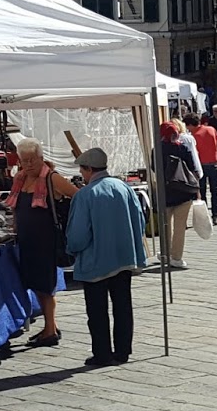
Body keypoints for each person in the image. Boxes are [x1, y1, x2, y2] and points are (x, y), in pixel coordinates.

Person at [64, 148, 147, 367]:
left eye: (82, 170)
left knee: (97, 310)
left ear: (89, 169)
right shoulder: (124, 187)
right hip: (124, 257)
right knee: (123, 305)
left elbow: (78, 235)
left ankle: (102, 353)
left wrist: (72, 249)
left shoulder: (85, 195)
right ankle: (122, 350)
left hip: (96, 261)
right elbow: (140, 220)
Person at [9, 138, 79, 346]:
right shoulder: (20, 178)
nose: (29, 164)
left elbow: (77, 196)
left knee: (46, 286)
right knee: (37, 285)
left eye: (33, 160)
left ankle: (50, 331)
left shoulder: (52, 178)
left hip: (46, 240)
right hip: (28, 240)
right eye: (25, 160)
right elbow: (16, 207)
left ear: (41, 158)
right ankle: (50, 326)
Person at [158, 121, 199, 269]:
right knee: (180, 227)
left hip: (165, 193)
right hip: (184, 192)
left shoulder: (157, 150)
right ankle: (176, 257)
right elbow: (192, 169)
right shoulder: (183, 148)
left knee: (165, 226)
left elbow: (154, 168)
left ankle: (165, 254)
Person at [185, 114, 217, 224]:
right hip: (213, 164)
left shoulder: (192, 136)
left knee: (201, 192)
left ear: (191, 125)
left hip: (200, 167)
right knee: (214, 191)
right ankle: (215, 216)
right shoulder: (212, 129)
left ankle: (204, 217)